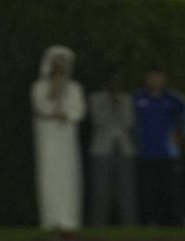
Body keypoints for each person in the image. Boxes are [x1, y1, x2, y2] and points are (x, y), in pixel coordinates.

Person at [134, 65, 185, 226]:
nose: (154, 81)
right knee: (149, 191)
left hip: (168, 154)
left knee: (173, 190)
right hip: (146, 152)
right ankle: (151, 222)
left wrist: (183, 134)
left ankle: (178, 222)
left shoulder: (173, 98)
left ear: (163, 79)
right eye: (151, 77)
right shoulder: (139, 97)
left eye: (158, 77)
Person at [31, 45, 85, 230]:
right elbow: (40, 107)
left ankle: (69, 220)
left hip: (67, 141)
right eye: (56, 63)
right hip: (48, 140)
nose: (59, 68)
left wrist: (66, 114)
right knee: (49, 178)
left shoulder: (75, 88)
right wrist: (54, 91)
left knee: (68, 178)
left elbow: (79, 111)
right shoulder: (39, 87)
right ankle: (50, 220)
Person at [87, 70, 137, 227]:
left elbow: (129, 122)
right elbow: (98, 121)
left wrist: (119, 104)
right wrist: (110, 104)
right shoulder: (95, 98)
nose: (115, 84)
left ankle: (129, 226)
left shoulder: (127, 99)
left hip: (124, 150)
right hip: (101, 150)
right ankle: (98, 226)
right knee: (100, 191)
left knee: (127, 192)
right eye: (112, 81)